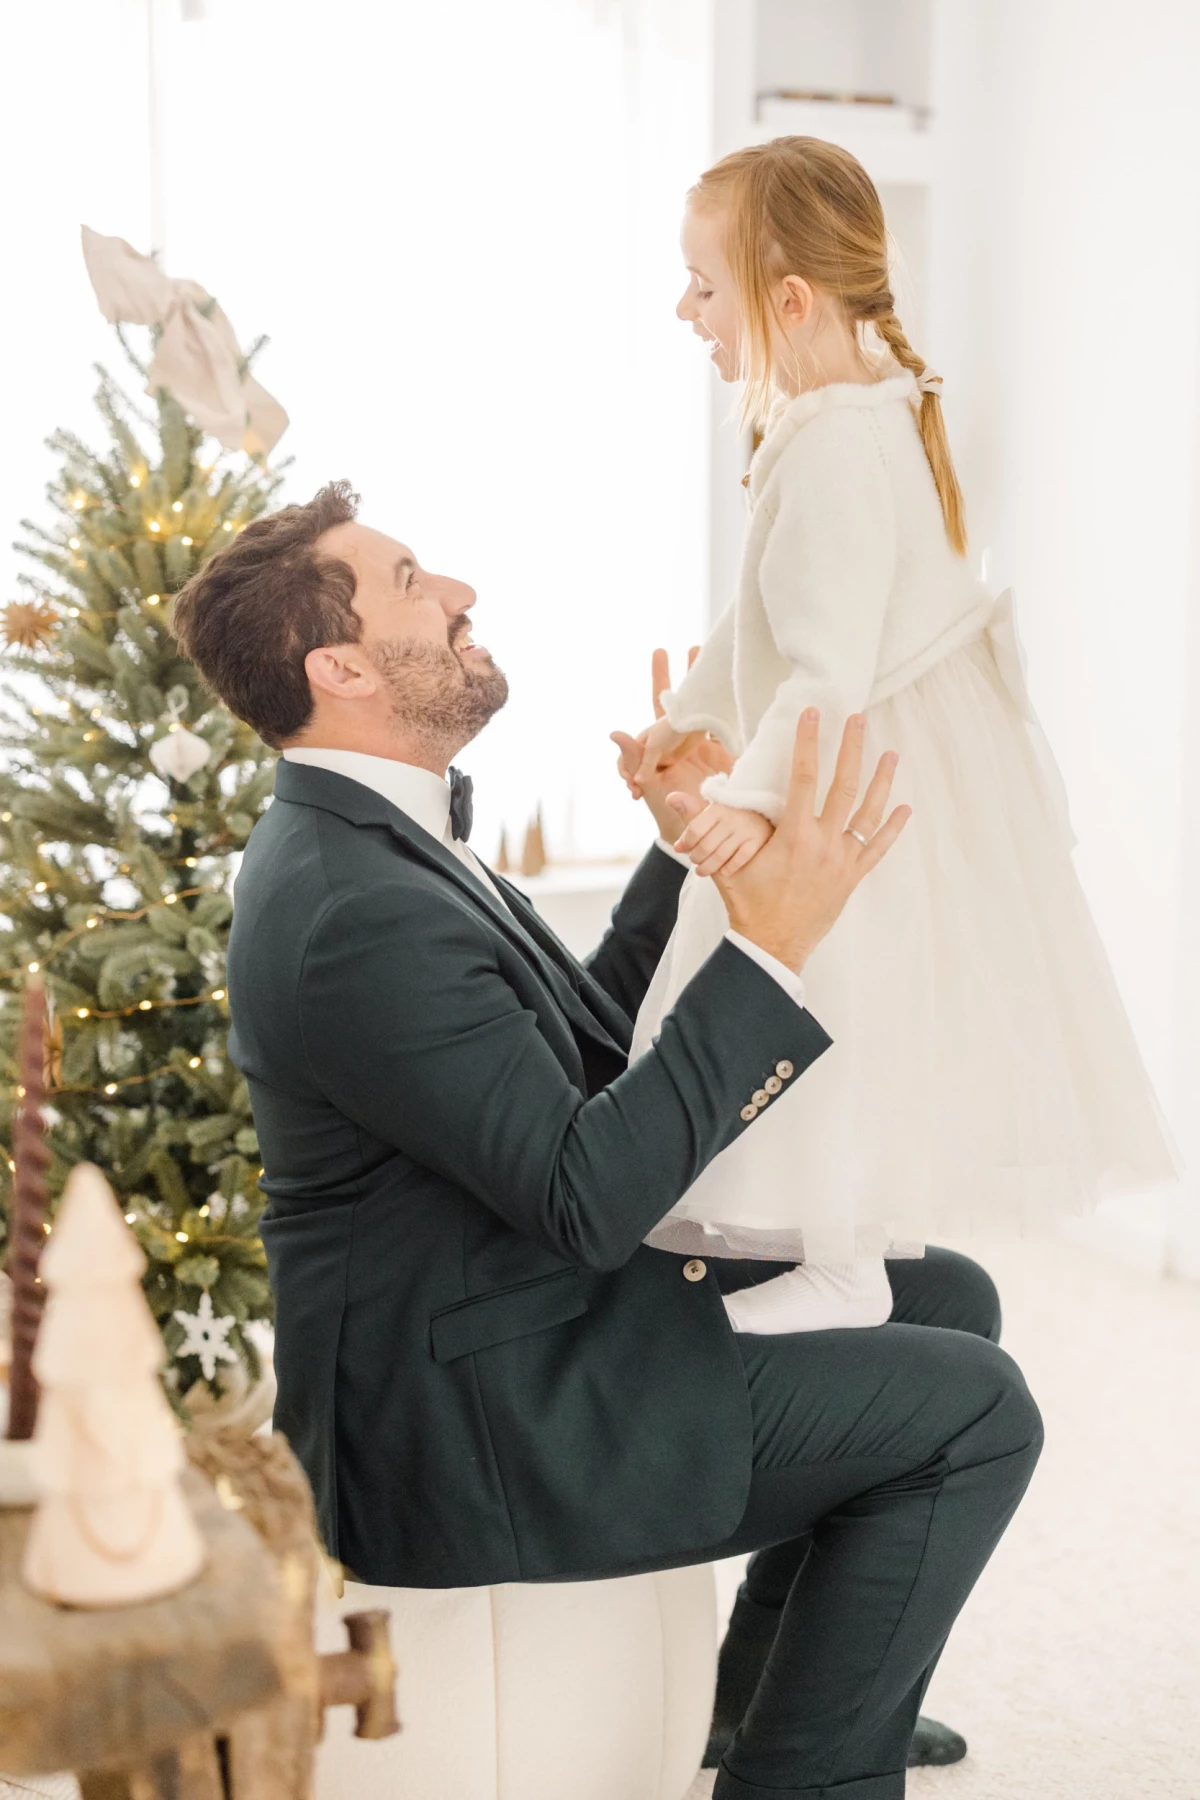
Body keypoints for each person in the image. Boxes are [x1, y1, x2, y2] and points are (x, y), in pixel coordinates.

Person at [171, 483, 1042, 1798]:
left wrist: (688, 851)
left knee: (946, 1295)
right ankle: (803, 1780)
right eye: (411, 580)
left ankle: (754, 1706)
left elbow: (572, 1055)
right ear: (338, 665)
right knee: (976, 1416)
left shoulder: (376, 840)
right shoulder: (350, 905)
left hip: (507, 1306)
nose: (459, 591)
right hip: (473, 1411)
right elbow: (590, 1195)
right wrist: (773, 941)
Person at [628, 136, 1177, 1336]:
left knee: (827, 1001)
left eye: (703, 286)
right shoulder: (849, 418)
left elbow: (826, 666)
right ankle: (841, 1253)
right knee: (841, 1005)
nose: (686, 309)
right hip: (867, 747)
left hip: (857, 773)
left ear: (787, 301)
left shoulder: (831, 442)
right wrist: (687, 721)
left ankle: (840, 1259)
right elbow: (757, 616)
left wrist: (746, 799)